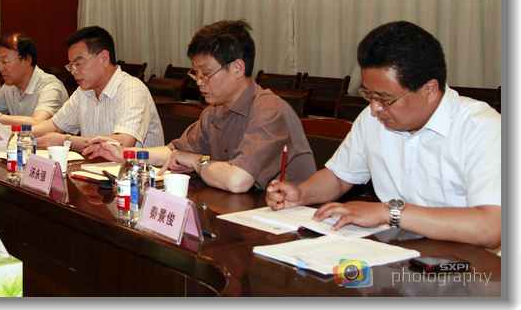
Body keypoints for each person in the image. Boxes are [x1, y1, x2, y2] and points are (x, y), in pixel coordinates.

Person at [265, 21, 501, 248]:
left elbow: (491, 227)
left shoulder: (484, 129)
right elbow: (339, 177)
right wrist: (301, 194)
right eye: (368, 95)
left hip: (466, 262)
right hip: (395, 252)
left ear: (429, 89)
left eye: (385, 99)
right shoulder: (373, 119)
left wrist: (389, 212)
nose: (375, 107)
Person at [87, 20, 316, 194]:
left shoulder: (269, 111)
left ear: (238, 68)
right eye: (195, 73)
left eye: (205, 73)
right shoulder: (215, 111)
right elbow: (174, 152)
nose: (198, 82)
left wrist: (197, 162)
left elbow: (238, 180)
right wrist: (125, 154)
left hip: (287, 220)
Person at [31, 26, 164, 152]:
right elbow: (54, 125)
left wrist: (66, 141)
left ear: (104, 58)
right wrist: (22, 133)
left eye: (79, 63)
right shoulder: (83, 92)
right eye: (71, 65)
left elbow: (124, 142)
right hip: (97, 166)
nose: (73, 71)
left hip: (135, 169)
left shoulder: (132, 89)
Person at [0, 32, 69, 125]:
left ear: (27, 60)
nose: (1, 68)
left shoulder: (50, 86)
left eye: (5, 61)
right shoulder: (9, 87)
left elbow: (38, 122)